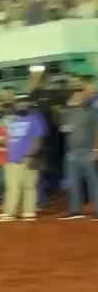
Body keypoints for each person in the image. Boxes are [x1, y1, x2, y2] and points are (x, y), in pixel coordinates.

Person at [0, 96, 47, 223]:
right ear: (14, 107)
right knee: (12, 187)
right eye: (19, 104)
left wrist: (30, 155)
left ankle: (26, 211)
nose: (21, 106)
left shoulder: (34, 119)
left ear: (28, 106)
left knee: (28, 186)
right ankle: (11, 211)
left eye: (24, 104)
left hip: (27, 158)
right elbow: (7, 139)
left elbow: (38, 139)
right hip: (11, 158)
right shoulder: (12, 120)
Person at [59, 86, 98, 220]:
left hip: (88, 151)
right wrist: (66, 114)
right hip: (71, 152)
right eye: (75, 96)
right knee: (73, 182)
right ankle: (75, 210)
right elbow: (63, 130)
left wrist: (96, 150)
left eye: (81, 96)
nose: (78, 98)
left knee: (93, 182)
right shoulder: (67, 113)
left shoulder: (92, 112)